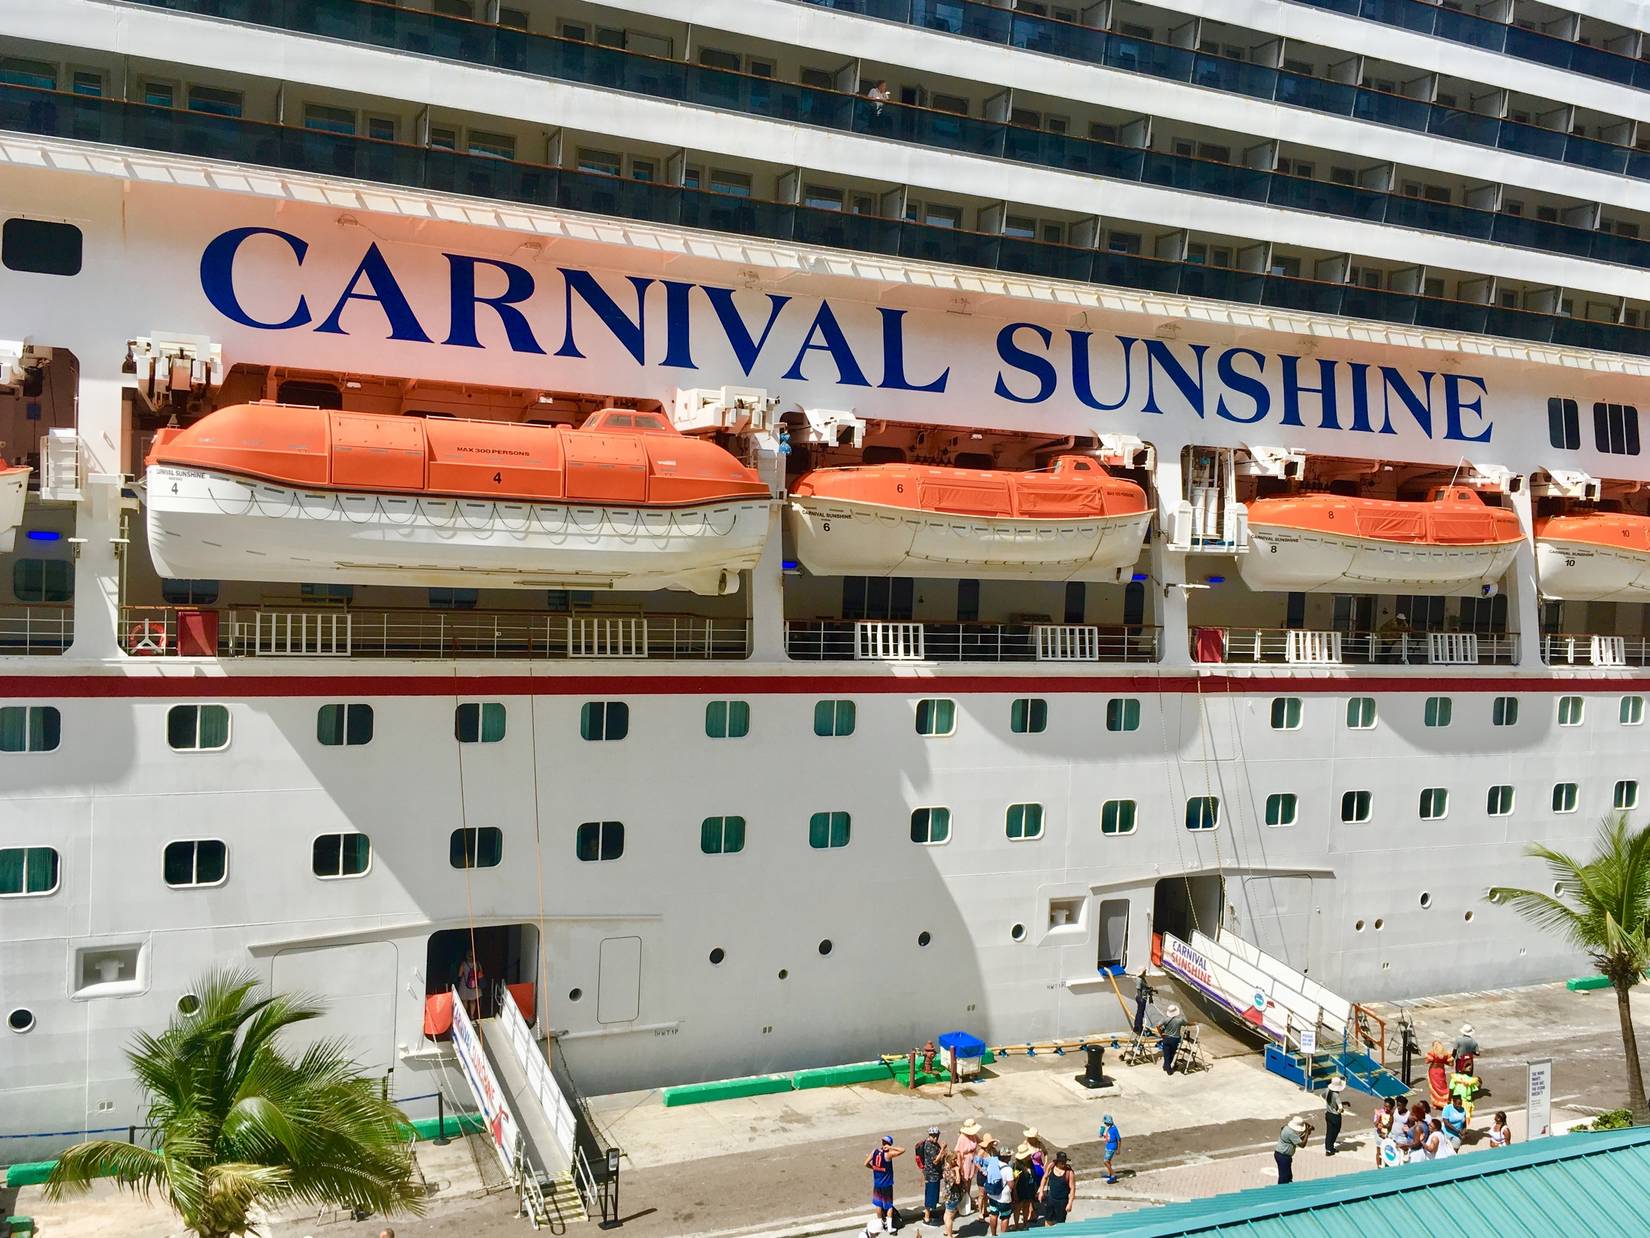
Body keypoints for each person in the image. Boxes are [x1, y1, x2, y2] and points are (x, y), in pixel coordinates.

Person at [865, 1135, 904, 1232]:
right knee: (889, 1205)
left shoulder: (875, 1151)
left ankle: (880, 1225)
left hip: (877, 1183)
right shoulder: (888, 1154)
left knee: (878, 1204)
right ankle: (890, 1227)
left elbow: (865, 1163)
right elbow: (902, 1150)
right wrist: (891, 1147)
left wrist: (874, 1168)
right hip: (887, 1184)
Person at [915, 1126, 945, 1225]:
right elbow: (935, 1161)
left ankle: (931, 1213)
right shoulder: (929, 1146)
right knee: (930, 1196)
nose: (935, 1138)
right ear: (929, 1135)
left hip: (935, 1174)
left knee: (934, 1195)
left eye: (937, 1136)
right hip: (931, 1175)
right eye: (933, 1136)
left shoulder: (934, 1144)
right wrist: (942, 1150)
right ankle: (926, 1217)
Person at [1038, 1149, 1075, 1226]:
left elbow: (1072, 1188)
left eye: (1064, 1161)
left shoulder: (1069, 1173)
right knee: (1048, 1219)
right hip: (1051, 1198)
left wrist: (1070, 1203)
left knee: (1060, 1223)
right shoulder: (1051, 1166)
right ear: (1057, 1161)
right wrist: (1041, 1191)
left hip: (1062, 1201)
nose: (1063, 1163)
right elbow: (1044, 1178)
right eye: (1061, 1161)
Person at [955, 1119, 981, 1215]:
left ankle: (968, 1198)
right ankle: (962, 1201)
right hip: (965, 1161)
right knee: (964, 1182)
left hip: (972, 1160)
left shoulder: (973, 1135)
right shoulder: (962, 1138)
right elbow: (958, 1153)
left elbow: (980, 1141)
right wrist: (960, 1167)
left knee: (969, 1181)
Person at [940, 1149, 967, 1238]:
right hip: (952, 1196)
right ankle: (949, 1235)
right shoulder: (950, 1170)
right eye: (954, 1159)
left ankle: (947, 1231)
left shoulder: (946, 1166)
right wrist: (957, 1170)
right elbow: (958, 1181)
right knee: (950, 1216)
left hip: (947, 1194)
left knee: (947, 1213)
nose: (955, 1160)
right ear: (949, 1159)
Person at [1275, 1115, 1309, 1184]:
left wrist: (1306, 1131)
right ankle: (1282, 1189)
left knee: (1288, 1175)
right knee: (1284, 1177)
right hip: (1283, 1156)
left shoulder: (1286, 1128)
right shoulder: (1291, 1133)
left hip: (1281, 1155)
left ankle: (1286, 1186)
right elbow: (1302, 1144)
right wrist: (1307, 1132)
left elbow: (1297, 1139)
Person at [1012, 1141, 1038, 1230]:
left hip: (1029, 1188)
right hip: (1020, 1189)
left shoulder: (1031, 1163)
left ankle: (1025, 1224)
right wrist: (1015, 1193)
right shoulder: (1017, 1166)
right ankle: (1016, 1225)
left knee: (1026, 1206)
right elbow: (1015, 1181)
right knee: (1018, 1208)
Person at [1323, 1076, 1349, 1155]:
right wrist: (1339, 1111)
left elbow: (1323, 1096)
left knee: (1329, 1132)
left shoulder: (1327, 1090)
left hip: (1328, 1114)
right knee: (1335, 1132)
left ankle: (1328, 1148)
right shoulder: (1336, 1095)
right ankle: (1330, 1148)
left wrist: (1328, 1105)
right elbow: (1340, 1108)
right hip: (1335, 1116)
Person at [1159, 1004, 1186, 1075]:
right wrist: (1194, 1023)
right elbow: (1187, 1024)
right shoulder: (1180, 1020)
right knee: (1171, 1054)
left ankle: (1165, 1066)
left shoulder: (1165, 1019)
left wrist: (1161, 1034)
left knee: (1166, 1054)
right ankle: (1168, 1069)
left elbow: (1158, 1026)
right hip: (1174, 1039)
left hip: (1166, 1038)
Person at [456, 949, 483, 1020]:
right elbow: (481, 974)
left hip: (465, 985)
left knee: (465, 1001)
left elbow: (460, 974)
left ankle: (465, 1016)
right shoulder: (477, 964)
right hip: (475, 984)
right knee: (473, 1001)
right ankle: (472, 1015)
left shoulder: (463, 964)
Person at [1372, 1097, 1396, 1168]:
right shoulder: (1380, 1112)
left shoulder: (1394, 1115)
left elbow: (1390, 1125)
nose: (1385, 1108)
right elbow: (1375, 1123)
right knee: (1379, 1151)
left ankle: (1387, 1165)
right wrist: (1378, 1123)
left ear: (1392, 1107)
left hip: (1388, 1135)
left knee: (1388, 1151)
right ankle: (1379, 1167)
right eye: (1384, 1106)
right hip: (1379, 1135)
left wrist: (1384, 1126)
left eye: (1388, 1107)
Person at [1099, 1115, 1121, 1184]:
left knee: (1105, 1162)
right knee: (1108, 1161)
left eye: (1105, 1122)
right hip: (1109, 1146)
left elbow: (1119, 1139)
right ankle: (1110, 1174)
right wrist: (1103, 1135)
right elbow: (1110, 1137)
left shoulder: (1114, 1129)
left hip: (1111, 1147)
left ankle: (1113, 1175)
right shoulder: (1110, 1128)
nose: (1105, 1124)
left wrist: (1118, 1149)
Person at [1132, 969, 1154, 1035]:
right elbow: (1138, 989)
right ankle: (1138, 1028)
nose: (1145, 973)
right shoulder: (1139, 979)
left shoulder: (1142, 979)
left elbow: (1143, 988)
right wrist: (1140, 998)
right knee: (1140, 1014)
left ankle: (1137, 1027)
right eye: (1144, 972)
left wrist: (1149, 989)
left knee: (1140, 1013)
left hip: (1142, 997)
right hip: (1141, 998)